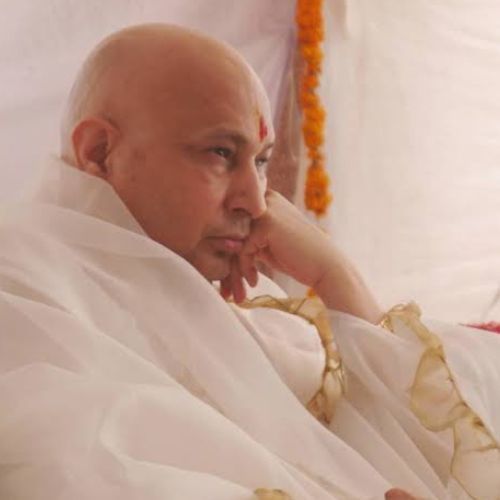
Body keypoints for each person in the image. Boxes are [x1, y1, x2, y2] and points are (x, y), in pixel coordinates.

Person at [0, 24, 498, 500]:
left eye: (260, 162)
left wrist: (335, 276)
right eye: (220, 153)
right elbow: (71, 470)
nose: (256, 202)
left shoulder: (252, 320)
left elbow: (430, 441)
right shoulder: (20, 280)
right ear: (99, 152)